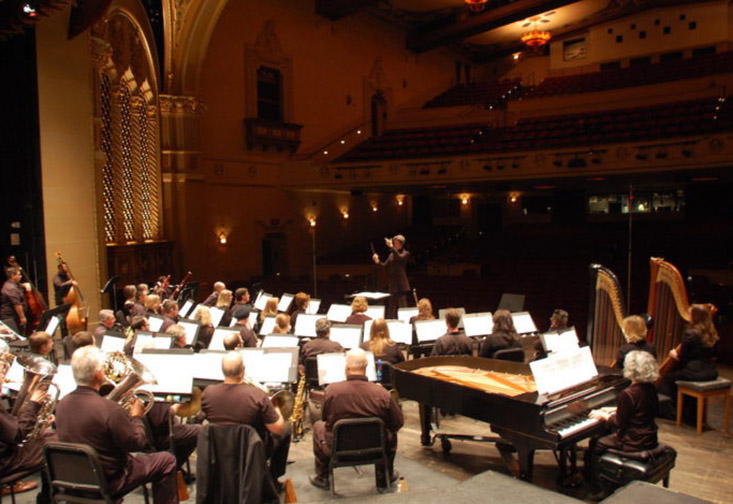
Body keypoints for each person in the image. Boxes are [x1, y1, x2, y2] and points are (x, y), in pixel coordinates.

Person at [55, 346, 178, 503]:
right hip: (109, 480)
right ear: (99, 373)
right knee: (166, 460)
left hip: (74, 477)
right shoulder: (108, 408)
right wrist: (137, 417)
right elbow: (137, 444)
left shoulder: (63, 403)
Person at [310, 348, 404, 491]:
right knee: (391, 432)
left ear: (346, 368)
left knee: (318, 426)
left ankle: (323, 477)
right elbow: (397, 423)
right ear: (366, 366)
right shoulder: (382, 393)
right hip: (376, 449)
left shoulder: (332, 391)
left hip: (337, 449)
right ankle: (385, 476)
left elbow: (325, 419)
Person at [201, 351, 291, 487]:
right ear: (243, 370)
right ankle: (272, 478)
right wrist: (276, 406)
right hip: (251, 452)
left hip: (220, 450)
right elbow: (278, 429)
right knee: (286, 429)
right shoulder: (257, 395)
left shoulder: (208, 393)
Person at [586, 350, 659, 498]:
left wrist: (604, 416)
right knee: (603, 438)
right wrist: (614, 409)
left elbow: (619, 422)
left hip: (633, 441)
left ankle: (600, 488)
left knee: (596, 444)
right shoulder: (650, 388)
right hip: (649, 437)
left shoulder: (628, 393)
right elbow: (639, 410)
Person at [0, 339, 53, 501]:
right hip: (5, 461)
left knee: (47, 435)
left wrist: (38, 423)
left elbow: (7, 425)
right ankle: (46, 498)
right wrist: (34, 404)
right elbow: (18, 435)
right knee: (53, 444)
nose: (3, 378)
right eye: (1, 374)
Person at [659, 304, 719, 419]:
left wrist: (674, 354)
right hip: (711, 372)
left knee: (667, 379)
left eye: (690, 314)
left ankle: (673, 413)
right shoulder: (712, 333)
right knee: (675, 375)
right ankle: (690, 412)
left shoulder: (690, 334)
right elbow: (715, 355)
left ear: (695, 317)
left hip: (695, 373)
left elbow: (683, 358)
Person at [372, 234, 410, 319]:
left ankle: (406, 323)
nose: (394, 244)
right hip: (392, 284)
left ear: (401, 244)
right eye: (394, 243)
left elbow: (399, 258)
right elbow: (385, 267)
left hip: (401, 285)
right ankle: (389, 322)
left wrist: (391, 247)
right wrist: (377, 261)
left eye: (396, 243)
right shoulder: (391, 255)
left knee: (403, 307)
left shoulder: (405, 253)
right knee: (391, 308)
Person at [1, 267, 29, 334]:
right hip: (10, 317)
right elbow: (16, 304)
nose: (21, 276)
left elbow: (20, 286)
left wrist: (25, 285)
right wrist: (22, 317)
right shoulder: (11, 288)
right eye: (19, 274)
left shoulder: (14, 284)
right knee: (15, 335)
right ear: (13, 275)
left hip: (14, 316)